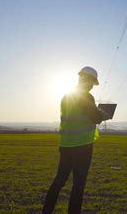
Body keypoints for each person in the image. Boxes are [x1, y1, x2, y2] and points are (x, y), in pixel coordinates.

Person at [42, 66, 110, 214]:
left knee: (59, 181)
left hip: (66, 145)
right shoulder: (85, 96)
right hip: (82, 146)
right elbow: (96, 118)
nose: (92, 86)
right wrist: (104, 114)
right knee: (78, 185)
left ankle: (46, 211)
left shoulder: (66, 96)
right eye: (92, 83)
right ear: (87, 80)